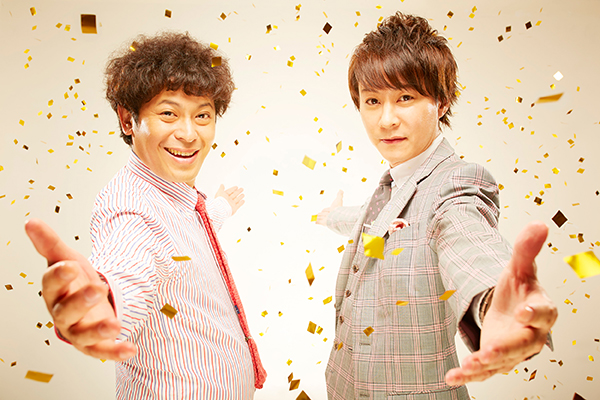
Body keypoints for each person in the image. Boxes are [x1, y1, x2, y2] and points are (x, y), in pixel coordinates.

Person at [316, 13, 557, 400]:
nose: (386, 119)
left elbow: (465, 236)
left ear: (441, 102)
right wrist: (330, 216)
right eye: (373, 101)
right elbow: (367, 223)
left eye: (405, 98)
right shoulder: (390, 186)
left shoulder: (457, 182)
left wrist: (495, 299)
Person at [25, 32, 266, 399]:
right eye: (169, 113)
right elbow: (127, 267)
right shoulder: (132, 208)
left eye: (202, 115)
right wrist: (101, 304)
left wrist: (221, 207)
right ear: (128, 120)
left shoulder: (180, 199)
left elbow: (186, 237)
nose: (189, 134)